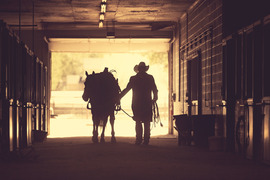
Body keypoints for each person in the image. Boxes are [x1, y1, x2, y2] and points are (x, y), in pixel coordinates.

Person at [119, 62, 158, 145]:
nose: (142, 70)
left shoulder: (134, 78)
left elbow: (127, 89)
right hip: (146, 102)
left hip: (137, 103)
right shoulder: (149, 78)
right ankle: (145, 139)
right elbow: (154, 89)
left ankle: (139, 139)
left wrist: (118, 97)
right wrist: (155, 98)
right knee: (145, 121)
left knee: (139, 121)